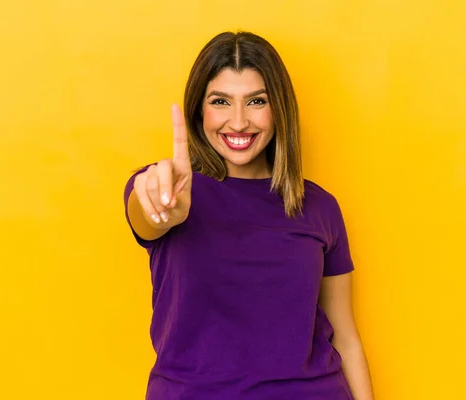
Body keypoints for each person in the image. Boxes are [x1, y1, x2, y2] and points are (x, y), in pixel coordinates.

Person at [124, 31, 374, 400]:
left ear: (279, 110)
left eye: (256, 101)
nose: (238, 122)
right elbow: (147, 215)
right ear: (199, 111)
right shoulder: (166, 190)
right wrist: (162, 207)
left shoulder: (319, 206)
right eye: (221, 101)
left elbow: (346, 336)